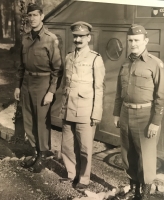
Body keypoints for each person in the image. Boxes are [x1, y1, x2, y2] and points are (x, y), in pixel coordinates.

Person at [113, 24, 164, 200]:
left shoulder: (155, 64)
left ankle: (144, 193)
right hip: (125, 113)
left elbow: (162, 96)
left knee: (146, 156)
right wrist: (116, 114)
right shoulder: (126, 63)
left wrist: (155, 122)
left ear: (146, 41)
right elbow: (118, 92)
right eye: (130, 40)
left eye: (136, 40)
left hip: (145, 116)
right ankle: (134, 187)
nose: (133, 43)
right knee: (128, 154)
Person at [14, 3, 62, 173]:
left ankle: (42, 156)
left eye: (35, 15)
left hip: (43, 83)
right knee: (28, 120)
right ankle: (35, 152)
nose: (32, 18)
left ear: (42, 16)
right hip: (27, 82)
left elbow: (57, 69)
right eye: (30, 15)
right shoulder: (25, 38)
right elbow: (21, 65)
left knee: (41, 122)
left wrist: (51, 91)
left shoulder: (50, 39)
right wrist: (18, 86)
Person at [59, 21, 105, 190]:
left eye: (81, 36)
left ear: (88, 38)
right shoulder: (68, 57)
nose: (78, 39)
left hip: (85, 110)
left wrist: (96, 112)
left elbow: (99, 88)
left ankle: (84, 179)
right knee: (67, 145)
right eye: (75, 36)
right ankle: (71, 174)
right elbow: (66, 84)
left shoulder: (95, 58)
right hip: (68, 107)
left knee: (85, 148)